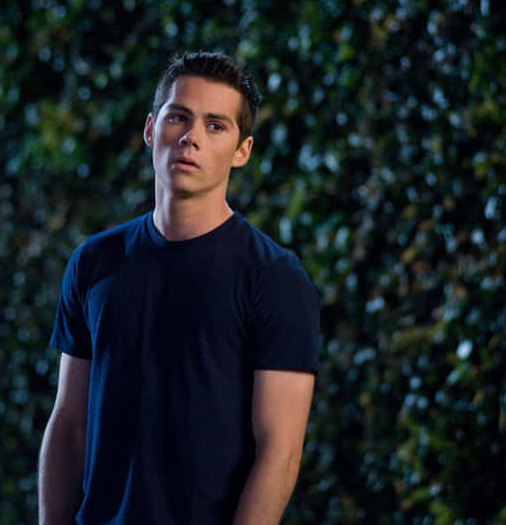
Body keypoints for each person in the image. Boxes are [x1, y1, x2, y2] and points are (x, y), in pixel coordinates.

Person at [38, 51, 320, 524]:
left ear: (241, 150)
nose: (191, 137)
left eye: (215, 125)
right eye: (178, 117)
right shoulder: (96, 261)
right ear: (151, 129)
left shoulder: (275, 279)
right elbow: (69, 422)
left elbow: (280, 453)